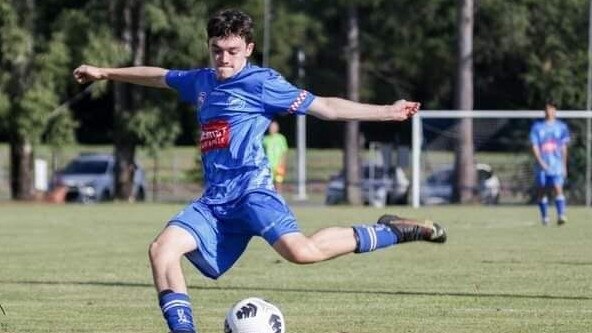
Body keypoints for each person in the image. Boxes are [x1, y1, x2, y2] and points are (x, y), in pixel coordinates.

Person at [73, 8, 447, 333]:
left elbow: (327, 108)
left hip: (253, 193)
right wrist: (105, 72)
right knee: (161, 250)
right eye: (217, 51)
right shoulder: (201, 81)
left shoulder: (263, 83)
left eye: (233, 52)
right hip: (214, 203)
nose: (224, 59)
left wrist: (384, 111)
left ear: (249, 49)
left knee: (302, 252)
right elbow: (159, 76)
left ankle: (392, 231)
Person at [529, 100, 571, 226]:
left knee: (558, 188)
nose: (549, 111)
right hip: (542, 165)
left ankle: (561, 215)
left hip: (556, 165)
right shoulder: (537, 127)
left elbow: (564, 147)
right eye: (547, 109)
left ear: (555, 111)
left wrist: (564, 165)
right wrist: (540, 162)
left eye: (551, 109)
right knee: (542, 190)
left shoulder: (561, 127)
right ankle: (545, 217)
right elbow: (535, 146)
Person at [263, 120, 289, 193]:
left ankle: (279, 197)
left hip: (278, 165)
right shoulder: (265, 139)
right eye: (271, 127)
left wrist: (282, 163)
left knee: (278, 182)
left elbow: (284, 152)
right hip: (268, 165)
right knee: (268, 183)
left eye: (274, 127)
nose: (272, 129)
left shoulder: (281, 138)